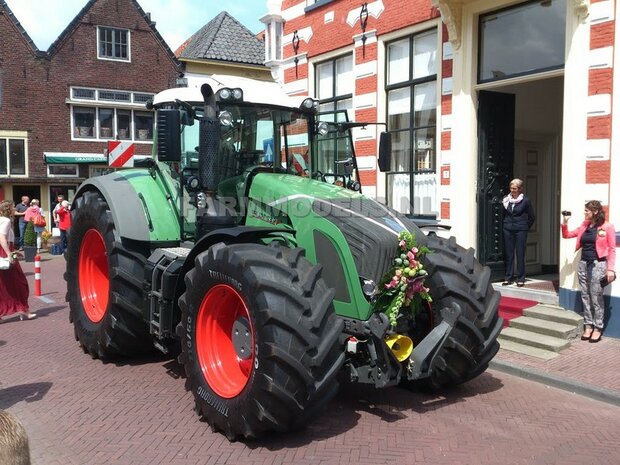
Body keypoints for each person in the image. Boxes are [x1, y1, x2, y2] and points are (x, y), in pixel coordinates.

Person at [562, 200, 616, 343]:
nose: (584, 213)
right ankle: (588, 325)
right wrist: (565, 222)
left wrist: (610, 269)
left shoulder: (607, 226)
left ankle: (598, 327)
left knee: (596, 297)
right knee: (585, 295)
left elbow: (611, 249)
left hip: (599, 264)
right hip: (583, 263)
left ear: (595, 211)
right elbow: (567, 235)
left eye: (587, 210)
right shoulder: (584, 225)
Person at [0, 200, 36, 322]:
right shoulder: (6, 221)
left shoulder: (1, 220)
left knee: (3, 284)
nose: (15, 208)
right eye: (13, 207)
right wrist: (9, 254)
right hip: (4, 252)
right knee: (20, 282)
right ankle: (24, 309)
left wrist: (14, 250)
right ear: (9, 209)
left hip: (4, 251)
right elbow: (2, 237)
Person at [502, 178, 536, 287]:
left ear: (520, 189)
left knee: (520, 254)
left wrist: (525, 227)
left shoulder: (525, 201)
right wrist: (505, 224)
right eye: (511, 188)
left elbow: (532, 216)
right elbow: (504, 214)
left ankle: (521, 278)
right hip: (508, 228)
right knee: (509, 254)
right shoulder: (505, 200)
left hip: (520, 229)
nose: (512, 190)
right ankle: (508, 277)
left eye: (515, 189)